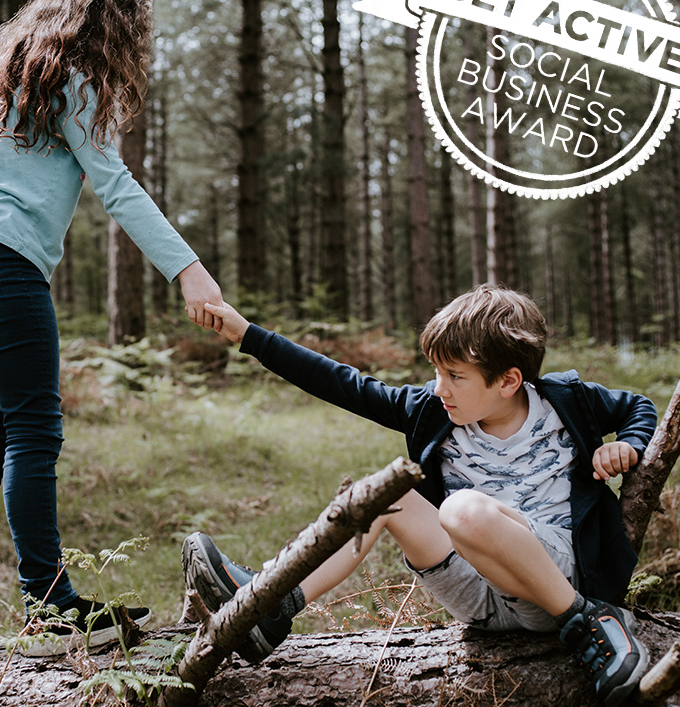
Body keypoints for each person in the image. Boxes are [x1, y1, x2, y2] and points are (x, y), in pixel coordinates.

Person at [0, 0, 222, 656]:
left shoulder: (7, 85)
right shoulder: (74, 83)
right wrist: (190, 272)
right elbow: (118, 186)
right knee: (32, 435)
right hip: (1, 268)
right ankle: (51, 607)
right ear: (107, 29)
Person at [183, 284, 654, 707]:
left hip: (553, 579)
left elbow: (639, 407)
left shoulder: (565, 401)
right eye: (436, 372)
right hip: (480, 598)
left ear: (509, 381)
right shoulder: (433, 410)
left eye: (455, 376)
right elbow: (341, 383)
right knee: (387, 494)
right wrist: (247, 334)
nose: (439, 388)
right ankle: (271, 606)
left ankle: (591, 621)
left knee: (462, 509)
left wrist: (626, 445)